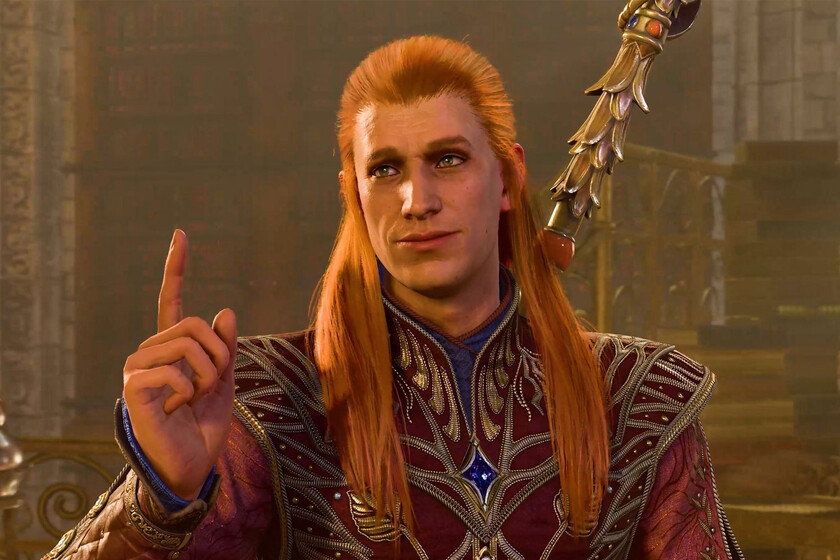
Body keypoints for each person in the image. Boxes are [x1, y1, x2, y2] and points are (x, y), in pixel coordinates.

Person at [44, 35, 743, 560]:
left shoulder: (639, 398)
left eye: (448, 159)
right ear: (354, 195)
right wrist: (161, 500)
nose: (417, 200)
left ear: (506, 179)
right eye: (385, 169)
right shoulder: (270, 402)